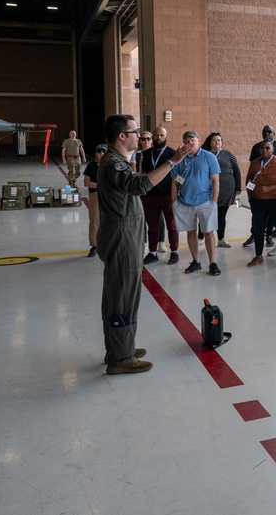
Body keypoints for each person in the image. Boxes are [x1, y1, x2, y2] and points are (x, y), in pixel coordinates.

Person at [97, 114, 190, 375]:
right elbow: (140, 185)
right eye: (135, 131)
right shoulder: (114, 163)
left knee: (117, 295)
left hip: (123, 235)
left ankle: (119, 348)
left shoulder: (115, 161)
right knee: (123, 297)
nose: (139, 136)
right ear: (121, 136)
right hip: (122, 238)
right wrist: (172, 162)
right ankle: (121, 358)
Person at [171, 130, 222, 276]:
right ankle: (196, 261)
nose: (190, 143)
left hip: (206, 201)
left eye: (192, 140)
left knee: (208, 232)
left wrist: (214, 201)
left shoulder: (209, 157)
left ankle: (213, 263)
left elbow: (215, 180)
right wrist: (174, 202)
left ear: (198, 141)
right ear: (183, 142)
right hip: (184, 202)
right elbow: (174, 182)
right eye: (186, 140)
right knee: (191, 232)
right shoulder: (179, 158)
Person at [245, 140, 276, 268]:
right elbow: (249, 181)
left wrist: (269, 188)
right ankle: (258, 256)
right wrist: (250, 199)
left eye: (267, 148)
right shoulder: (255, 163)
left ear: (273, 149)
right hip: (258, 201)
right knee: (258, 228)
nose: (264, 150)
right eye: (262, 148)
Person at [141, 126, 180, 265]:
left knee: (172, 225)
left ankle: (174, 252)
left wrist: (178, 189)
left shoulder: (172, 154)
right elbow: (141, 173)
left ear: (166, 137)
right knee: (152, 226)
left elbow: (180, 174)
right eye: (156, 135)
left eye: (162, 135)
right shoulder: (145, 154)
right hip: (150, 195)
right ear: (152, 137)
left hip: (168, 195)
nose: (159, 137)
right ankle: (152, 253)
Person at [246, 125, 276, 249]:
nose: (266, 133)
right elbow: (251, 177)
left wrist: (273, 188)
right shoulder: (256, 148)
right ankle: (254, 237)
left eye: (269, 131)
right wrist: (250, 196)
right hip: (258, 197)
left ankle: (269, 235)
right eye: (264, 131)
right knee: (258, 221)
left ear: (274, 133)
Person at [204, 132, 241, 249]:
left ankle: (221, 239)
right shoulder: (204, 154)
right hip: (207, 189)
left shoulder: (228, 154)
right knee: (206, 214)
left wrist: (238, 187)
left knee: (221, 215)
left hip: (226, 189)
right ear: (210, 142)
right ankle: (201, 236)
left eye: (219, 140)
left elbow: (237, 170)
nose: (217, 142)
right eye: (214, 140)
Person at [82, 144, 107, 258]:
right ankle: (94, 245)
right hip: (95, 195)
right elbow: (86, 182)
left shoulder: (111, 166)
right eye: (99, 151)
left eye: (103, 151)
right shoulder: (91, 166)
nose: (101, 154)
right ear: (95, 153)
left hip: (109, 195)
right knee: (95, 220)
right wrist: (101, 185)